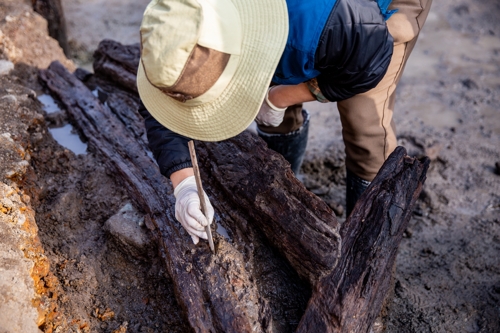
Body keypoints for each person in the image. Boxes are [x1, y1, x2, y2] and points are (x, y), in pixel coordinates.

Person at [137, 0, 433, 244]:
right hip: (314, 29)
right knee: (266, 92)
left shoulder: (329, 24)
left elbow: (370, 61)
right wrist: (185, 184)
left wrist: (282, 97)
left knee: (365, 123)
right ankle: (285, 186)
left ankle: (367, 242)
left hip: (365, 22)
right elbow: (162, 102)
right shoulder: (177, 22)